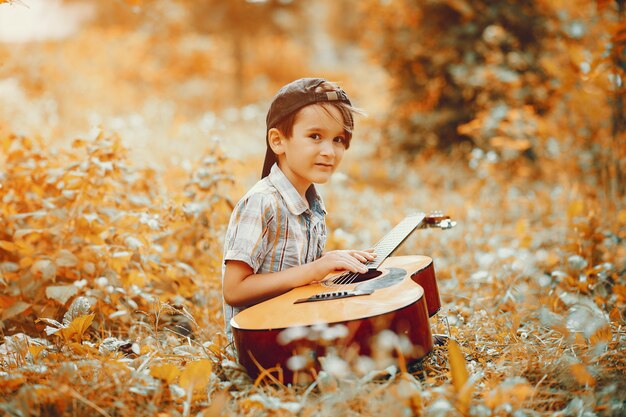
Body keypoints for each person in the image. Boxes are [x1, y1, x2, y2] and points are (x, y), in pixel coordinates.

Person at [221, 78, 375, 339]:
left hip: (299, 327)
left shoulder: (312, 204)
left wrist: (331, 266)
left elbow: (301, 282)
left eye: (338, 139)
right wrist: (315, 269)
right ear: (278, 141)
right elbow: (234, 290)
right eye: (315, 136)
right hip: (262, 341)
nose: (329, 151)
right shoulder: (262, 201)